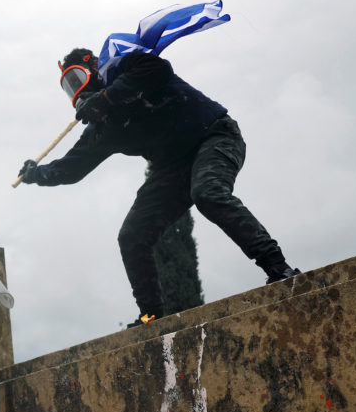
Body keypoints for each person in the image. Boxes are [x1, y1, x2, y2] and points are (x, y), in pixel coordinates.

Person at [17, 48, 301, 325]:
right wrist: (36, 173)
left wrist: (107, 97)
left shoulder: (127, 67)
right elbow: (71, 169)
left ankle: (279, 268)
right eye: (69, 85)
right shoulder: (104, 127)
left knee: (208, 193)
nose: (75, 89)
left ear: (94, 68)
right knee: (132, 235)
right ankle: (151, 316)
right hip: (173, 166)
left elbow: (159, 68)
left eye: (76, 77)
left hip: (213, 135)